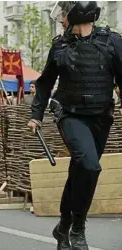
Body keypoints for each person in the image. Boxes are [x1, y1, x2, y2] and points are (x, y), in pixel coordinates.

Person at [28, 2, 122, 250]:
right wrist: (36, 114)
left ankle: (62, 227)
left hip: (100, 117)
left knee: (80, 171)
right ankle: (78, 228)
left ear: (77, 14)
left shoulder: (111, 42)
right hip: (70, 115)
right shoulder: (60, 45)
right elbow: (45, 82)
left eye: (65, 12)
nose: (61, 17)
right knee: (90, 166)